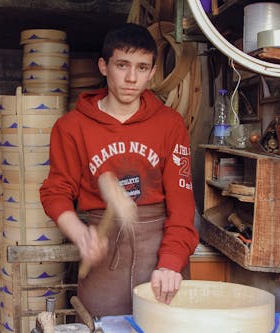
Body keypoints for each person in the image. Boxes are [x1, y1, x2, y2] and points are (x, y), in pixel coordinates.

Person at [39, 22, 199, 317]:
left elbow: (182, 203)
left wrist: (171, 261)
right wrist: (80, 233)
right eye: (122, 65)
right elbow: (56, 191)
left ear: (152, 72)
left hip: (159, 254)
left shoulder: (170, 124)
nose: (131, 78)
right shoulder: (72, 127)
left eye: (141, 68)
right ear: (103, 66)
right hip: (104, 257)